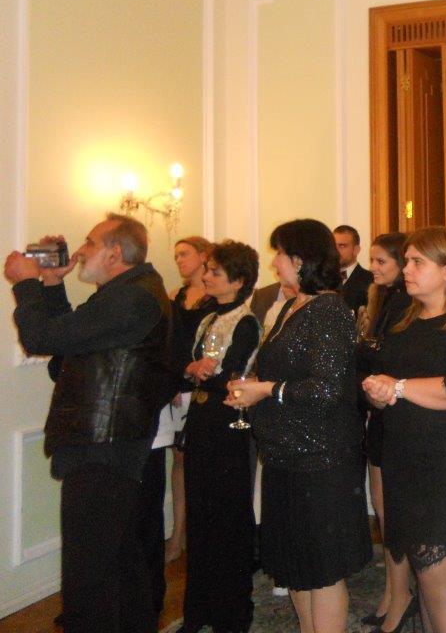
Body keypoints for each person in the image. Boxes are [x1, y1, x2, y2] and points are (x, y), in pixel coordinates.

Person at [5, 214, 173, 633]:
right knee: (119, 562)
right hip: (106, 442)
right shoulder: (127, 294)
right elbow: (68, 344)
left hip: (103, 446)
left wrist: (25, 283)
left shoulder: (131, 298)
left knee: (89, 576)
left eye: (90, 242)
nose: (80, 251)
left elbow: (42, 338)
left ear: (115, 253)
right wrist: (51, 283)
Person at [227, 219, 371, 633]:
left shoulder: (328, 309)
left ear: (302, 259)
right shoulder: (294, 306)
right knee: (295, 565)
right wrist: (255, 388)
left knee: (321, 569)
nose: (274, 262)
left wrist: (264, 390)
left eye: (280, 254)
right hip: (286, 454)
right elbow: (289, 374)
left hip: (320, 459)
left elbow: (326, 389)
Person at [362, 226, 446, 633]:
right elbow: (391, 382)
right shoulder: (406, 316)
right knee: (425, 575)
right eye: (406, 261)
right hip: (406, 457)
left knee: (441, 576)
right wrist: (379, 393)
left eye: (417, 262)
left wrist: (398, 387)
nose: (406, 269)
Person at [179, 240, 261, 633]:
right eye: (208, 269)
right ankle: (199, 611)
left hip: (228, 425)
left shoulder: (246, 321)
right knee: (200, 518)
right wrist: (192, 369)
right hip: (200, 421)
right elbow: (189, 368)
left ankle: (232, 614)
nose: (207, 276)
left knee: (227, 519)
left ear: (239, 281)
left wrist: (199, 372)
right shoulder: (208, 317)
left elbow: (232, 375)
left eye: (215, 272)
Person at [353, 232, 413, 632]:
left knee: (396, 512)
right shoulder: (380, 299)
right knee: (383, 510)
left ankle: (401, 594)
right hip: (379, 414)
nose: (373, 268)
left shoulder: (406, 303)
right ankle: (394, 592)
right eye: (372, 261)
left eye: (381, 262)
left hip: (400, 411)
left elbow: (393, 358)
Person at [165, 236, 215, 563]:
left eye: (184, 254)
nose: (179, 260)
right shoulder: (175, 295)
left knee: (199, 461)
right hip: (179, 383)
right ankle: (178, 534)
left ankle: (199, 535)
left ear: (203, 255)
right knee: (179, 460)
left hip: (206, 384)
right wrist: (172, 379)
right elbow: (168, 343)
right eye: (176, 255)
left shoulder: (217, 295)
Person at [335, 224, 373, 313]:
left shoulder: (370, 281)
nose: (335, 251)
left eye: (342, 246)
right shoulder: (322, 279)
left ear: (356, 250)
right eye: (333, 246)